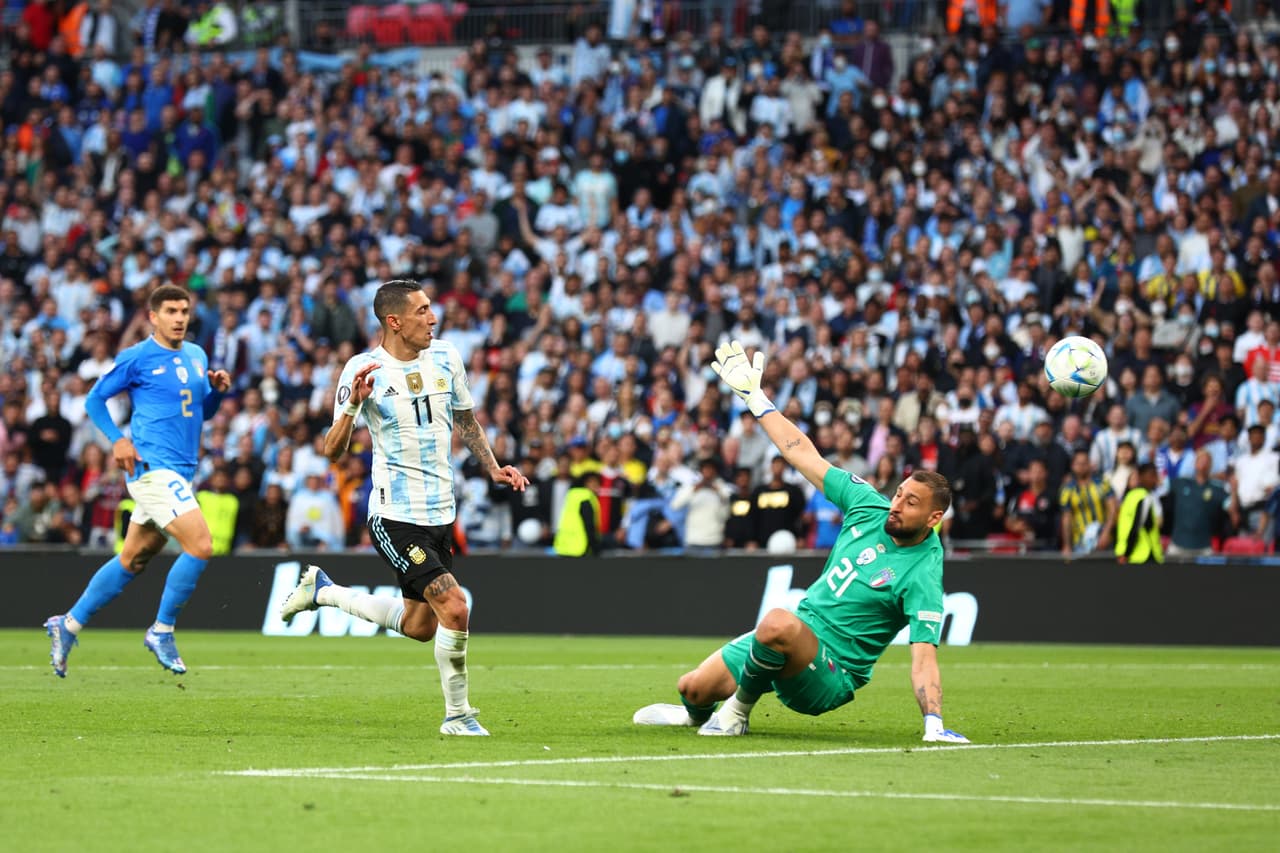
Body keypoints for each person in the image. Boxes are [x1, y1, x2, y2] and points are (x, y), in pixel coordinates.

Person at [633, 342, 969, 743]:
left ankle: (737, 712)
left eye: (910, 503)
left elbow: (924, 656)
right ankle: (694, 715)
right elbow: (803, 455)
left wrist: (934, 724)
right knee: (692, 686)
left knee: (776, 622)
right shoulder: (868, 506)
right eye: (898, 493)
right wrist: (756, 399)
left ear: (934, 518)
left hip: (831, 674)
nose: (896, 505)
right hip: (796, 633)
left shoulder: (924, 569)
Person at [280, 280, 528, 736]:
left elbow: (466, 420)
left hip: (441, 512)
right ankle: (458, 715)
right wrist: (354, 404)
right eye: (423, 311)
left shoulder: (447, 357)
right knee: (454, 607)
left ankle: (323, 591)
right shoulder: (363, 369)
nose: (433, 319)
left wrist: (492, 467)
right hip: (395, 516)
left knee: (420, 626)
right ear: (394, 321)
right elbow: (331, 449)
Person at [43, 284, 231, 677]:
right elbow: (94, 399)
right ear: (153, 317)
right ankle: (161, 630)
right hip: (152, 469)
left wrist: (215, 394)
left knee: (132, 560)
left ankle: (69, 624)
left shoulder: (196, 355)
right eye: (171, 311)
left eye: (184, 311)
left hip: (180, 471)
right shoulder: (138, 358)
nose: (179, 318)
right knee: (200, 545)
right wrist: (118, 439)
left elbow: (202, 413)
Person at [1115, 463, 1164, 564]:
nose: (1155, 479)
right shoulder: (1144, 498)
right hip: (1143, 555)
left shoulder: (1130, 496)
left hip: (1132, 555)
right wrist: (1126, 553)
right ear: (1140, 477)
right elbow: (1136, 526)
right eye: (1151, 476)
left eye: (1156, 476)